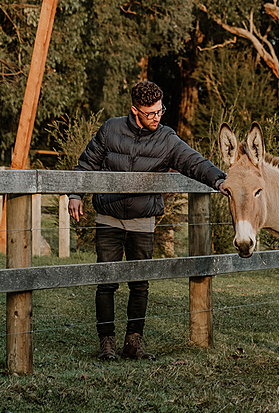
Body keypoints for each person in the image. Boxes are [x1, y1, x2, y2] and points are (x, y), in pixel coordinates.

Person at [67, 80, 226, 361]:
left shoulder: (166, 138)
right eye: (150, 113)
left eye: (159, 111)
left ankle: (134, 341)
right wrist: (75, 194)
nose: (156, 118)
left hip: (143, 219)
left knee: (140, 283)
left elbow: (194, 162)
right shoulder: (110, 129)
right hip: (108, 217)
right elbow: (87, 163)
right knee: (106, 282)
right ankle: (106, 343)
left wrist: (220, 180)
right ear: (134, 111)